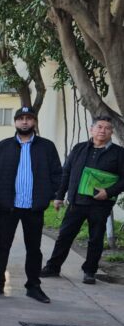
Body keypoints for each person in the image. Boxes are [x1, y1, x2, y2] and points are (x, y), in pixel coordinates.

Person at [0, 106, 62, 303]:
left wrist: (47, 197)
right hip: (8, 207)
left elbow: (56, 174)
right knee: (2, 246)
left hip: (33, 207)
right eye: (21, 118)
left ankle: (33, 286)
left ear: (34, 122)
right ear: (15, 122)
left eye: (29, 118)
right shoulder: (3, 146)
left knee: (34, 249)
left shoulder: (46, 147)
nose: (25, 122)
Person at [40, 115, 124, 284]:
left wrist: (108, 192)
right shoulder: (79, 148)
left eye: (107, 128)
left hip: (100, 204)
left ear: (111, 132)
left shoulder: (119, 153)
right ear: (91, 129)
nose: (103, 131)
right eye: (99, 127)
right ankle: (53, 267)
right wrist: (59, 196)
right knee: (64, 235)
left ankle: (90, 271)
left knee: (95, 239)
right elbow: (67, 172)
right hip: (77, 202)